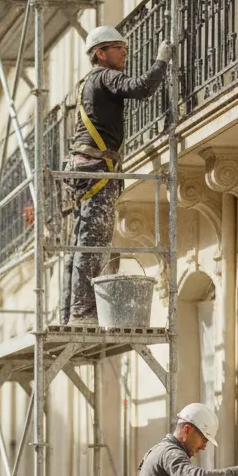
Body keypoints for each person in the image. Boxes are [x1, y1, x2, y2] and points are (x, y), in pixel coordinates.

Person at [59, 25, 171, 324]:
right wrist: (161, 61)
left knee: (80, 242)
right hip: (97, 171)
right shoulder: (106, 77)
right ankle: (83, 314)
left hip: (83, 169)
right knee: (94, 242)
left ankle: (69, 312)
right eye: (118, 47)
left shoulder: (86, 83)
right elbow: (141, 88)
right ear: (100, 53)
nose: (125, 52)